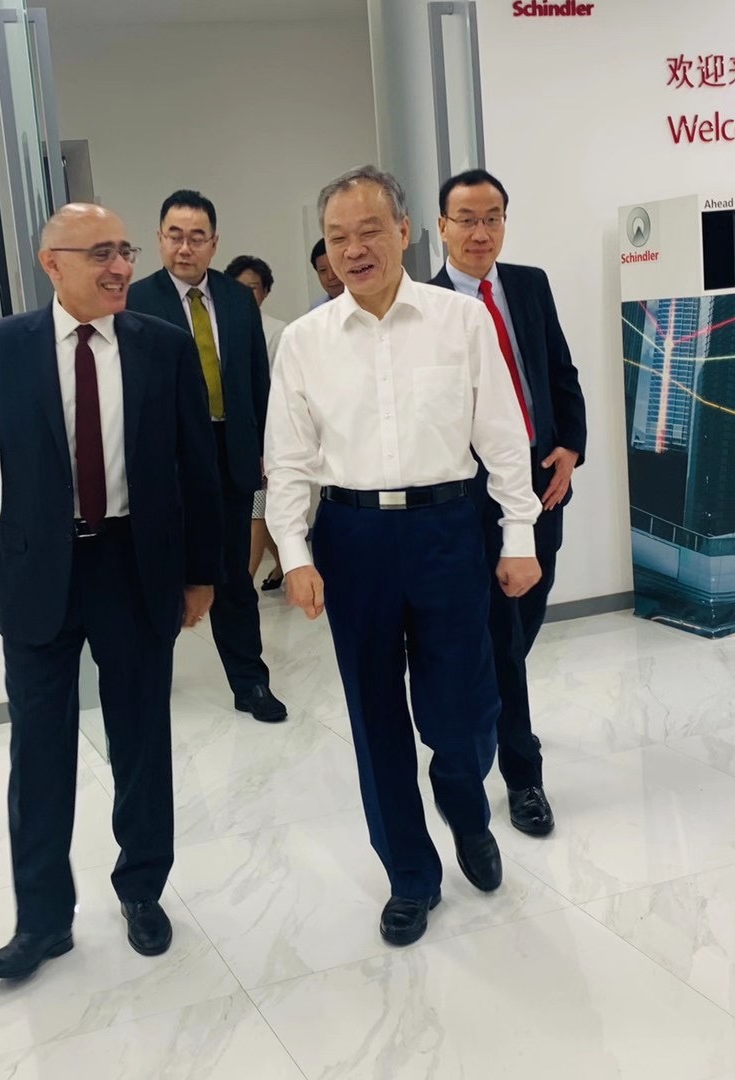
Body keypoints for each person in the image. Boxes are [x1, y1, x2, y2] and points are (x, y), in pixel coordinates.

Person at [0, 204, 222, 980]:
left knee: (141, 741)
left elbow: (198, 469)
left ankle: (143, 890)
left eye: (124, 251)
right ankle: (41, 922)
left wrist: (202, 573)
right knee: (38, 752)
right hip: (39, 576)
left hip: (135, 569)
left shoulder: (162, 346)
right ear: (51, 263)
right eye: (100, 253)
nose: (121, 267)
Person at [265, 166, 542, 946]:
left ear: (404, 231)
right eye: (337, 238)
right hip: (352, 538)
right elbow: (288, 459)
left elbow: (503, 439)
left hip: (449, 528)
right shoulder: (305, 342)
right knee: (375, 715)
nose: (354, 249)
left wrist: (519, 535)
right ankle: (410, 875)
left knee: (466, 713)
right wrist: (294, 552)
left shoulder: (461, 321)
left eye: (368, 231)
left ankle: (465, 806)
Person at [429, 168, 587, 838]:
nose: (480, 232)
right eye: (466, 219)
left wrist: (570, 448)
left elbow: (559, 372)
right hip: (474, 494)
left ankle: (491, 706)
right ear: (441, 227)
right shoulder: (427, 305)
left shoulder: (528, 285)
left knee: (524, 617)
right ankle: (524, 776)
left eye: (491, 217)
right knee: (500, 630)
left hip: (542, 482)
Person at [127, 191, 287, 723]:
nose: (185, 247)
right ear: (159, 239)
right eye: (175, 236)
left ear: (214, 243)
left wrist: (266, 449)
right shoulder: (135, 301)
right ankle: (150, 684)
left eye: (197, 237)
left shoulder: (237, 299)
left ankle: (251, 683)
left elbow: (258, 382)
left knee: (234, 576)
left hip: (230, 453)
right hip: (166, 460)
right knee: (162, 575)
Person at [226, 254, 287, 591]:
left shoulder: (277, 331)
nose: (246, 295)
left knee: (257, 509)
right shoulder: (222, 328)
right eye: (238, 288)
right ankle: (283, 565)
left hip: (266, 436)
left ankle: (242, 583)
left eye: (253, 288)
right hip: (232, 436)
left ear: (265, 292)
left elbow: (276, 393)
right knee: (257, 508)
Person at [308, 238, 345, 309]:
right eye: (323, 270)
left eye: (334, 267)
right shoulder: (317, 309)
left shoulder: (366, 304)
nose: (330, 276)